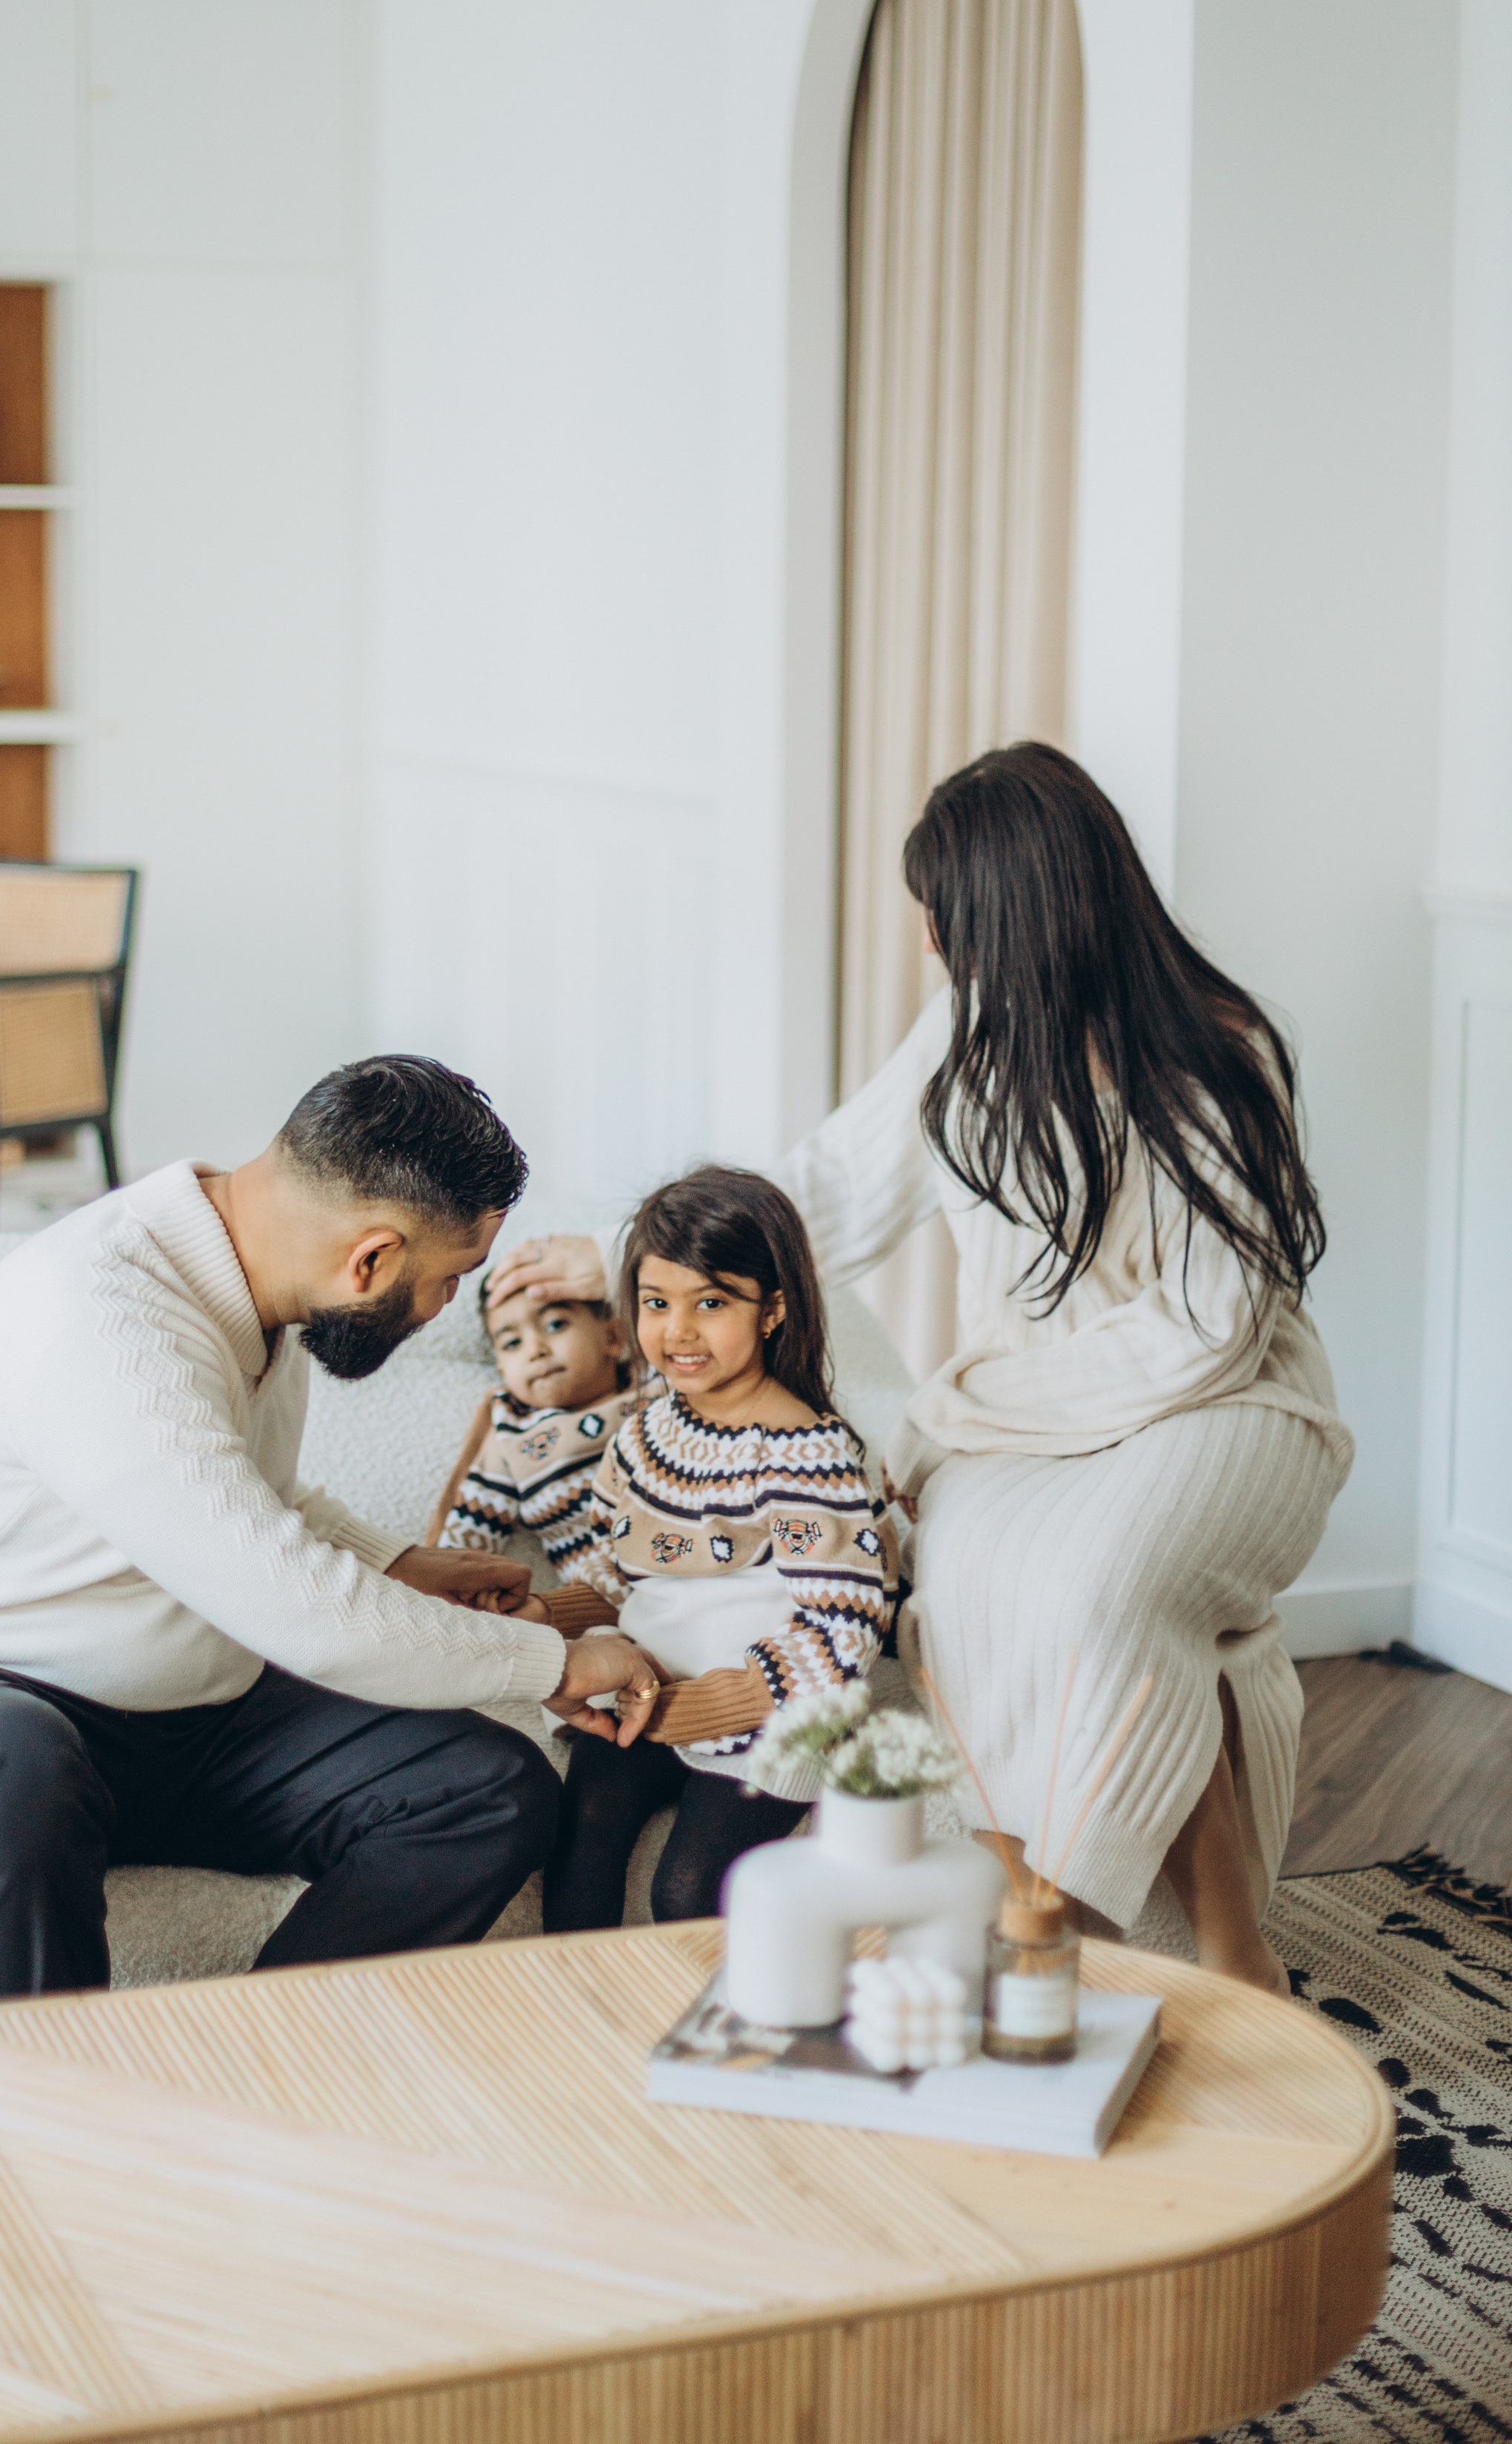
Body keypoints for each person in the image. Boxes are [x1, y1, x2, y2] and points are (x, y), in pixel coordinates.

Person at [492, 746, 1353, 1991]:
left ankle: (1233, 1952)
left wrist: (975, 1401)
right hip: (1029, 1408)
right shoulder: (968, 1035)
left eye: (945, 918)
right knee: (951, 1585)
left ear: (1026, 911)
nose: (935, 948)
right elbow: (833, 1186)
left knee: (1095, 1589)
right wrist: (632, 1258)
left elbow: (1204, 1332)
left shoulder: (1219, 1051)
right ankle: (1035, 1911)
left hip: (1226, 1407)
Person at [0, 1055, 662, 2003]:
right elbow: (302, 1613)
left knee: (487, 1790)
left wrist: (395, 1561)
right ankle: (54, 2128)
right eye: (451, 1279)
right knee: (13, 1764)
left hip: (158, 1728)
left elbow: (235, 1496)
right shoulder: (103, 1316)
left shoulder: (252, 1280)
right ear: (369, 1258)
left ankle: (246, 2056)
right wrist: (555, 1666)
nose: (450, 1307)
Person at [527, 1166, 899, 1932]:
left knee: (689, 1891)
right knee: (581, 1830)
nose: (678, 1331)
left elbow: (840, 1637)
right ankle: (579, 2013)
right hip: (650, 1695)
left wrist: (696, 1708)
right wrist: (545, 1611)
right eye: (657, 1304)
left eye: (712, 1303)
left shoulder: (804, 1459)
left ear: (773, 1312)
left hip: (766, 1710)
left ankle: (704, 2037)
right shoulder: (643, 1435)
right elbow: (621, 1562)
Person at [424, 1269, 635, 1578]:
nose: (535, 1350)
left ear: (613, 1336)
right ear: (502, 1371)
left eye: (555, 1324)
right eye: (512, 1343)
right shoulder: (513, 1434)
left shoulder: (657, 1384)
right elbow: (465, 1541)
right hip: (602, 1600)